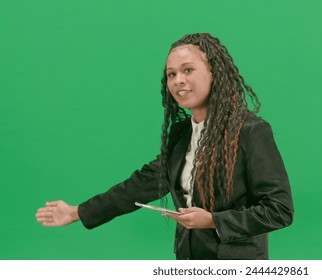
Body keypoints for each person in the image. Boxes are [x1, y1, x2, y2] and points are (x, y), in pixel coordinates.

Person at [35, 33, 294, 260]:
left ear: (214, 72)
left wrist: (214, 220)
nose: (178, 80)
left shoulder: (250, 132)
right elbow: (139, 185)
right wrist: (77, 212)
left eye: (188, 70)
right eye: (171, 74)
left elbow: (280, 210)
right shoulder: (182, 135)